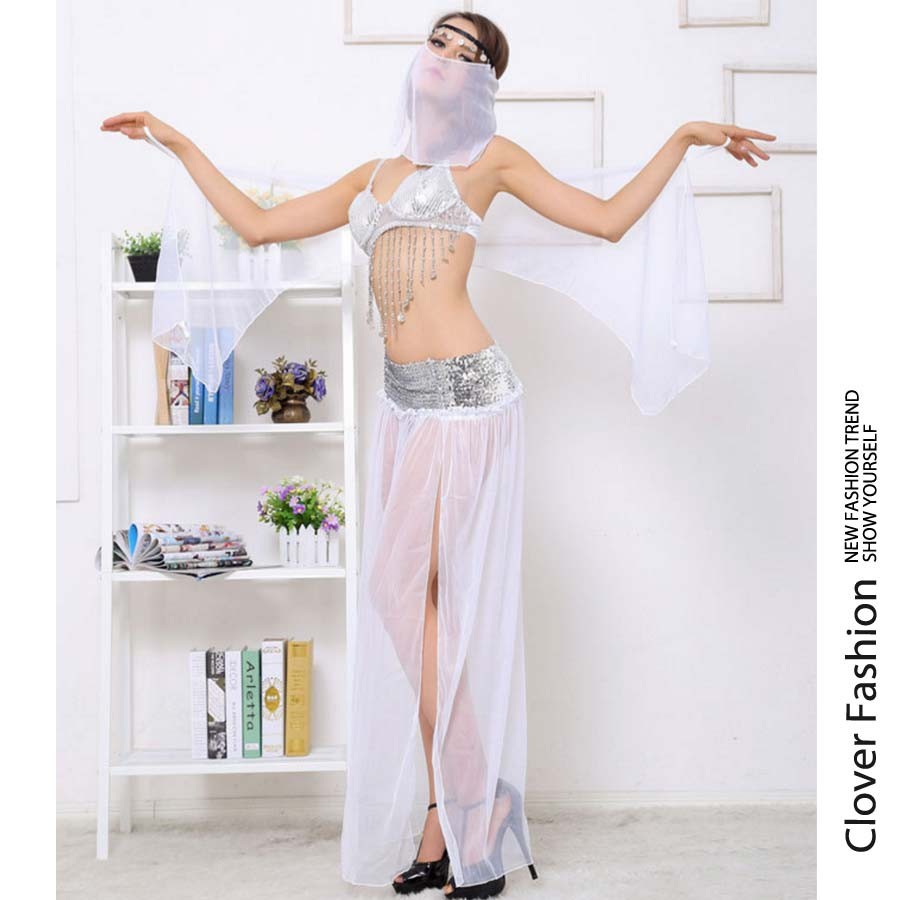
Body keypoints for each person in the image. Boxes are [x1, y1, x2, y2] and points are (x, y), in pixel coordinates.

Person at [101, 10, 774, 897]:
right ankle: (457, 809)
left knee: (415, 600)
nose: (447, 58)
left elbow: (608, 222)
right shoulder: (373, 175)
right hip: (404, 410)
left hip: (468, 400)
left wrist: (683, 136)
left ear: (483, 84)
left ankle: (468, 804)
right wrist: (180, 145)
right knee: (415, 609)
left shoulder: (491, 162)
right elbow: (260, 228)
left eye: (469, 54)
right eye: (439, 42)